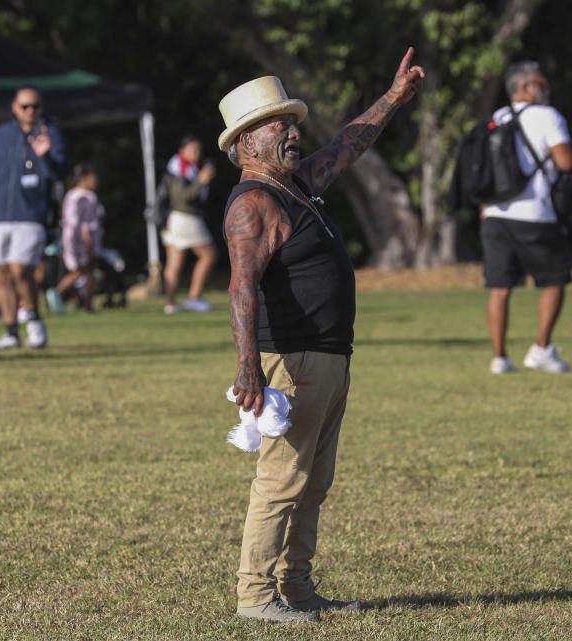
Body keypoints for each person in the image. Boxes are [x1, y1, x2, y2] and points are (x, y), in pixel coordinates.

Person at [220, 48, 423, 623]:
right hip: (291, 361)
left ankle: (298, 588)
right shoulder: (253, 202)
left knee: (313, 483)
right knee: (283, 481)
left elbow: (347, 146)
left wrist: (394, 97)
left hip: (328, 358)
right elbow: (241, 288)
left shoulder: (296, 184)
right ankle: (256, 597)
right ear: (245, 145)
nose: (290, 133)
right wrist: (247, 367)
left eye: (290, 123)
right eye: (275, 126)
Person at [480, 60, 572, 375]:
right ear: (524, 87)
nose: (545, 87)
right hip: (535, 212)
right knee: (555, 279)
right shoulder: (548, 116)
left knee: (500, 286)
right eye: (540, 82)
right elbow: (565, 162)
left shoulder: (498, 117)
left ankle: (499, 359)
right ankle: (541, 349)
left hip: (495, 214)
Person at [0, 87, 66, 349]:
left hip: (30, 215)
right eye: (25, 106)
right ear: (14, 107)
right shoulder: (1, 135)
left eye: (35, 106)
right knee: (2, 272)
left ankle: (34, 320)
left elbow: (60, 174)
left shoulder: (50, 134)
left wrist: (46, 157)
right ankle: (11, 331)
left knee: (20, 269)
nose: (30, 111)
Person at [160, 135, 217, 314]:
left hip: (176, 219)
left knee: (175, 262)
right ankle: (194, 297)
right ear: (181, 150)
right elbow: (182, 197)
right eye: (193, 149)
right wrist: (201, 181)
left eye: (199, 149)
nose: (197, 153)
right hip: (186, 218)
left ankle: (171, 304)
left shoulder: (186, 166)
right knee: (209, 255)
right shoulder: (180, 168)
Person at [49, 163, 101, 313]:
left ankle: (86, 304)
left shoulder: (70, 195)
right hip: (82, 238)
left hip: (69, 237)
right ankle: (60, 293)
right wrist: (88, 242)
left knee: (84, 270)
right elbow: (86, 224)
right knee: (85, 269)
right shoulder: (88, 197)